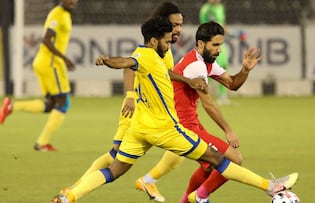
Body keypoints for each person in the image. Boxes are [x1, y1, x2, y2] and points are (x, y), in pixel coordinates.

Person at [51, 16, 298, 203]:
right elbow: (125, 63)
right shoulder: (145, 57)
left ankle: (70, 196)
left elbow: (165, 72)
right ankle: (269, 186)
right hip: (166, 128)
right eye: (168, 41)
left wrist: (190, 82)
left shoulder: (153, 56)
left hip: (140, 128)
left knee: (113, 170)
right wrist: (107, 61)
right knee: (217, 159)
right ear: (154, 40)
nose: (170, 45)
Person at [55, 2, 207, 203]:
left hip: (150, 113)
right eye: (175, 24)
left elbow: (165, 74)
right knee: (115, 156)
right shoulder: (150, 47)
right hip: (135, 107)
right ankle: (73, 190)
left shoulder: (166, 50)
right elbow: (129, 67)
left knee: (120, 158)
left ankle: (75, 191)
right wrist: (130, 96)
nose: (178, 29)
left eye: (180, 25)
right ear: (162, 24)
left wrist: (188, 82)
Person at [136, 20, 262, 203]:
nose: (219, 49)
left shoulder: (206, 62)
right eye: (215, 45)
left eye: (221, 44)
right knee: (234, 159)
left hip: (191, 123)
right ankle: (201, 196)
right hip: (183, 126)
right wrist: (228, 130)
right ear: (201, 44)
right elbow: (209, 104)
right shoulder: (196, 65)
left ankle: (189, 198)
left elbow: (232, 84)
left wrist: (244, 70)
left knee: (209, 167)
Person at [0, 0, 78, 151]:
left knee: (50, 105)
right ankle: (42, 143)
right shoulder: (57, 14)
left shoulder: (64, 14)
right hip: (51, 64)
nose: (74, 0)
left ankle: (11, 106)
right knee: (63, 103)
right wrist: (65, 58)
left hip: (45, 62)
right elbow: (46, 39)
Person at [199, 0, 230, 105]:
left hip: (220, 42)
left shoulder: (220, 7)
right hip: (211, 44)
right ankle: (200, 94)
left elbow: (222, 25)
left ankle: (223, 97)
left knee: (224, 67)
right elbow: (211, 29)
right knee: (210, 70)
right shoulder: (207, 9)